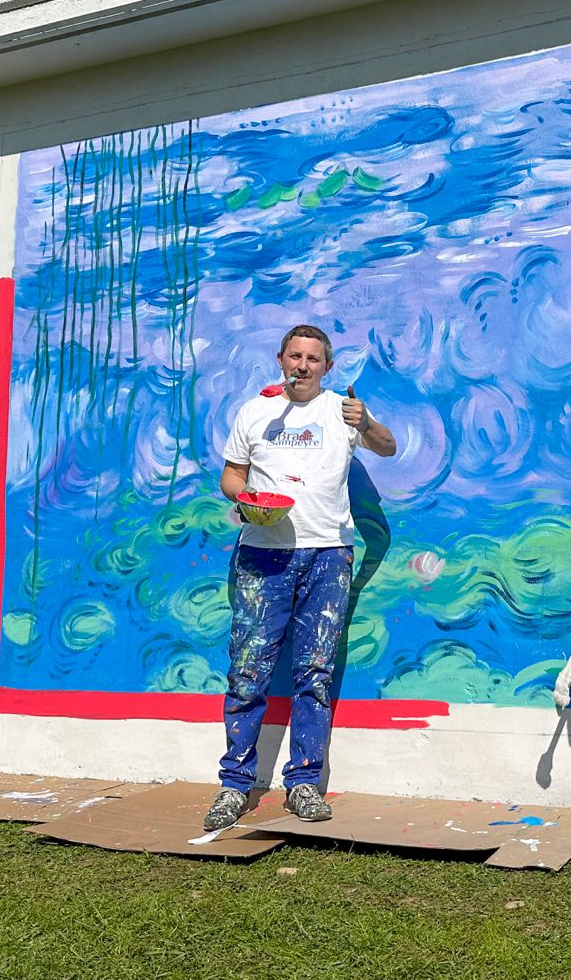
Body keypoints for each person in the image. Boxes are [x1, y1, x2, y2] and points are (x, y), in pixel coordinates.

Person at [203, 324, 397, 831]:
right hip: (263, 555)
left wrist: (368, 421)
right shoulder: (255, 411)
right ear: (281, 360)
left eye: (314, 358)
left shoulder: (343, 410)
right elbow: (232, 476)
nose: (303, 365)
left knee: (314, 673)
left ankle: (304, 783)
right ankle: (235, 786)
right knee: (248, 672)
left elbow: (388, 446)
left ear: (327, 367)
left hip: (329, 556)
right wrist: (242, 501)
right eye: (295, 356)